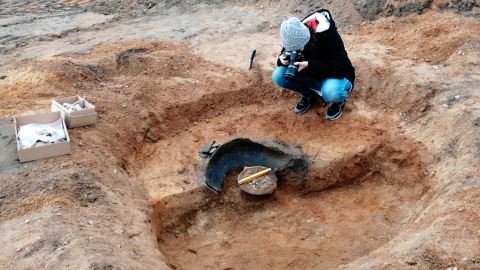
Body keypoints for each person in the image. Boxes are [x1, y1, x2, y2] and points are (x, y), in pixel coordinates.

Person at [272, 9, 355, 120]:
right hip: (313, 74)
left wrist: (309, 64)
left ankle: (338, 101)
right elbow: (284, 55)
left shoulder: (328, 36)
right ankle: (309, 95)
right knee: (278, 75)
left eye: (298, 48)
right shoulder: (293, 34)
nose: (296, 51)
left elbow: (339, 70)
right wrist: (282, 60)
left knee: (331, 92)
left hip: (336, 76)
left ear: (307, 38)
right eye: (292, 49)